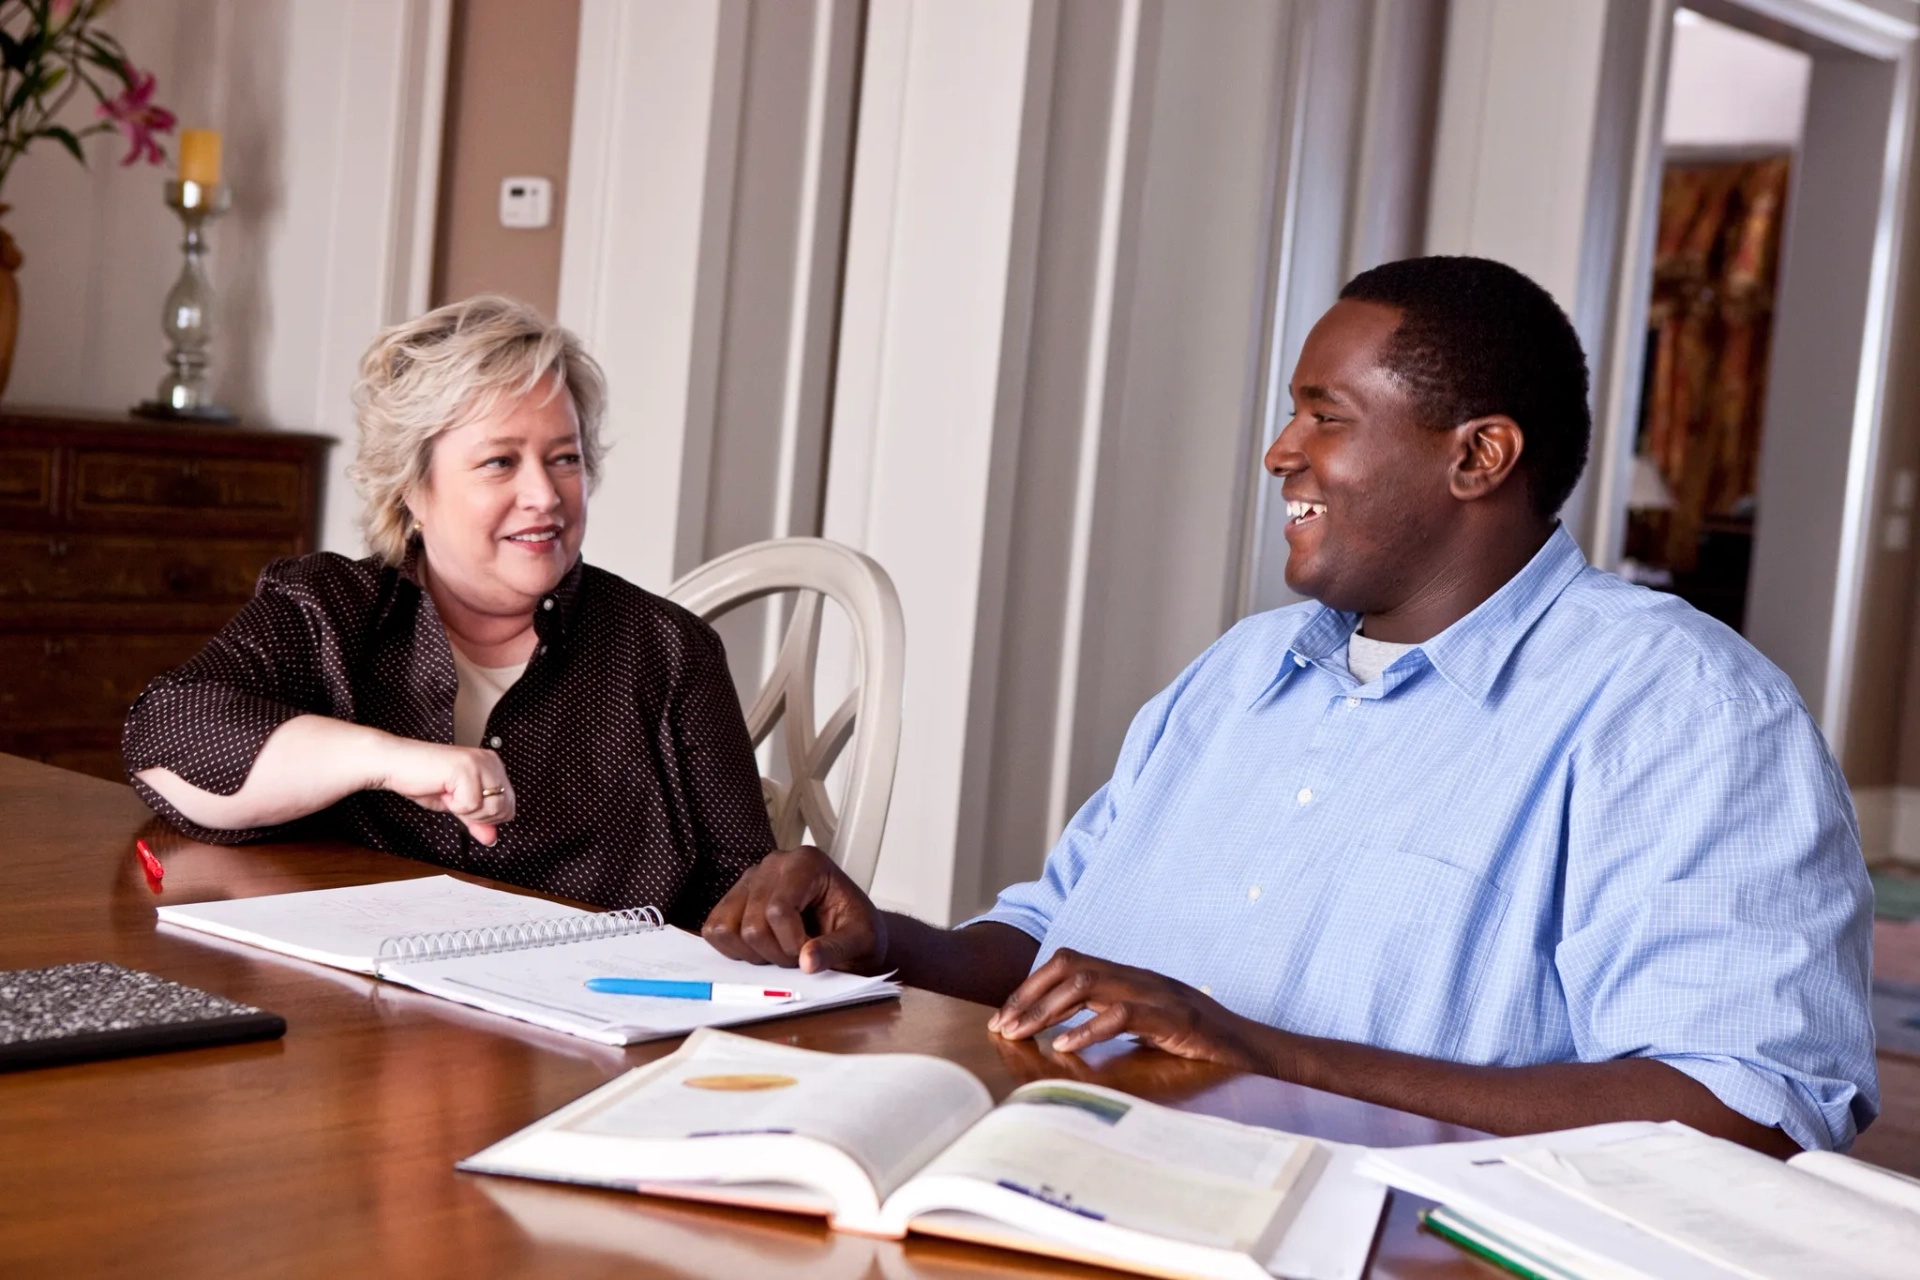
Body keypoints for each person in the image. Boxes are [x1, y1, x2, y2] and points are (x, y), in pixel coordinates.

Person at [702, 256, 1878, 1154]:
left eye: (1327, 414)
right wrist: (880, 941)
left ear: (1480, 456)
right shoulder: (1239, 676)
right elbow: (1050, 943)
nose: (1279, 450)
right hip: (1061, 1175)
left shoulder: (1684, 712)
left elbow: (1745, 1107)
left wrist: (1261, 1056)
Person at [124, 296, 773, 924]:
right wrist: (389, 760)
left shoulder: (669, 650)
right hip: (355, 1019)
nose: (544, 495)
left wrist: (808, 913)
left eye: (564, 459)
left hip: (594, 1018)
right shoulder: (330, 609)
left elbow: (742, 894)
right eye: (500, 462)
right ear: (412, 490)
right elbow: (169, 733)